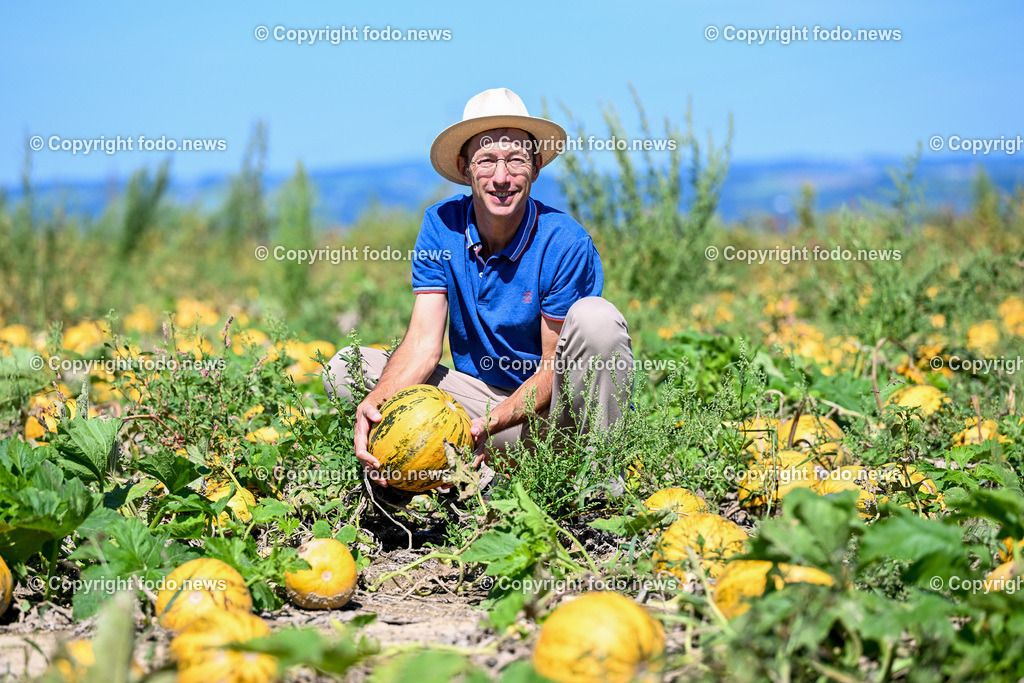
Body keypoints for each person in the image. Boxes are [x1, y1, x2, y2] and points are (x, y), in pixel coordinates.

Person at [323, 87, 633, 486]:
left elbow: (552, 369)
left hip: (552, 421)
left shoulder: (565, 242)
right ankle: (437, 464)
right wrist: (380, 402)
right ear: (465, 166)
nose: (501, 177)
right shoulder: (441, 226)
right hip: (477, 404)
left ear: (536, 167)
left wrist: (492, 421)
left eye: (516, 160)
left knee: (598, 320)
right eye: (487, 160)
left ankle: (599, 479)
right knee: (346, 371)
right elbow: (422, 344)